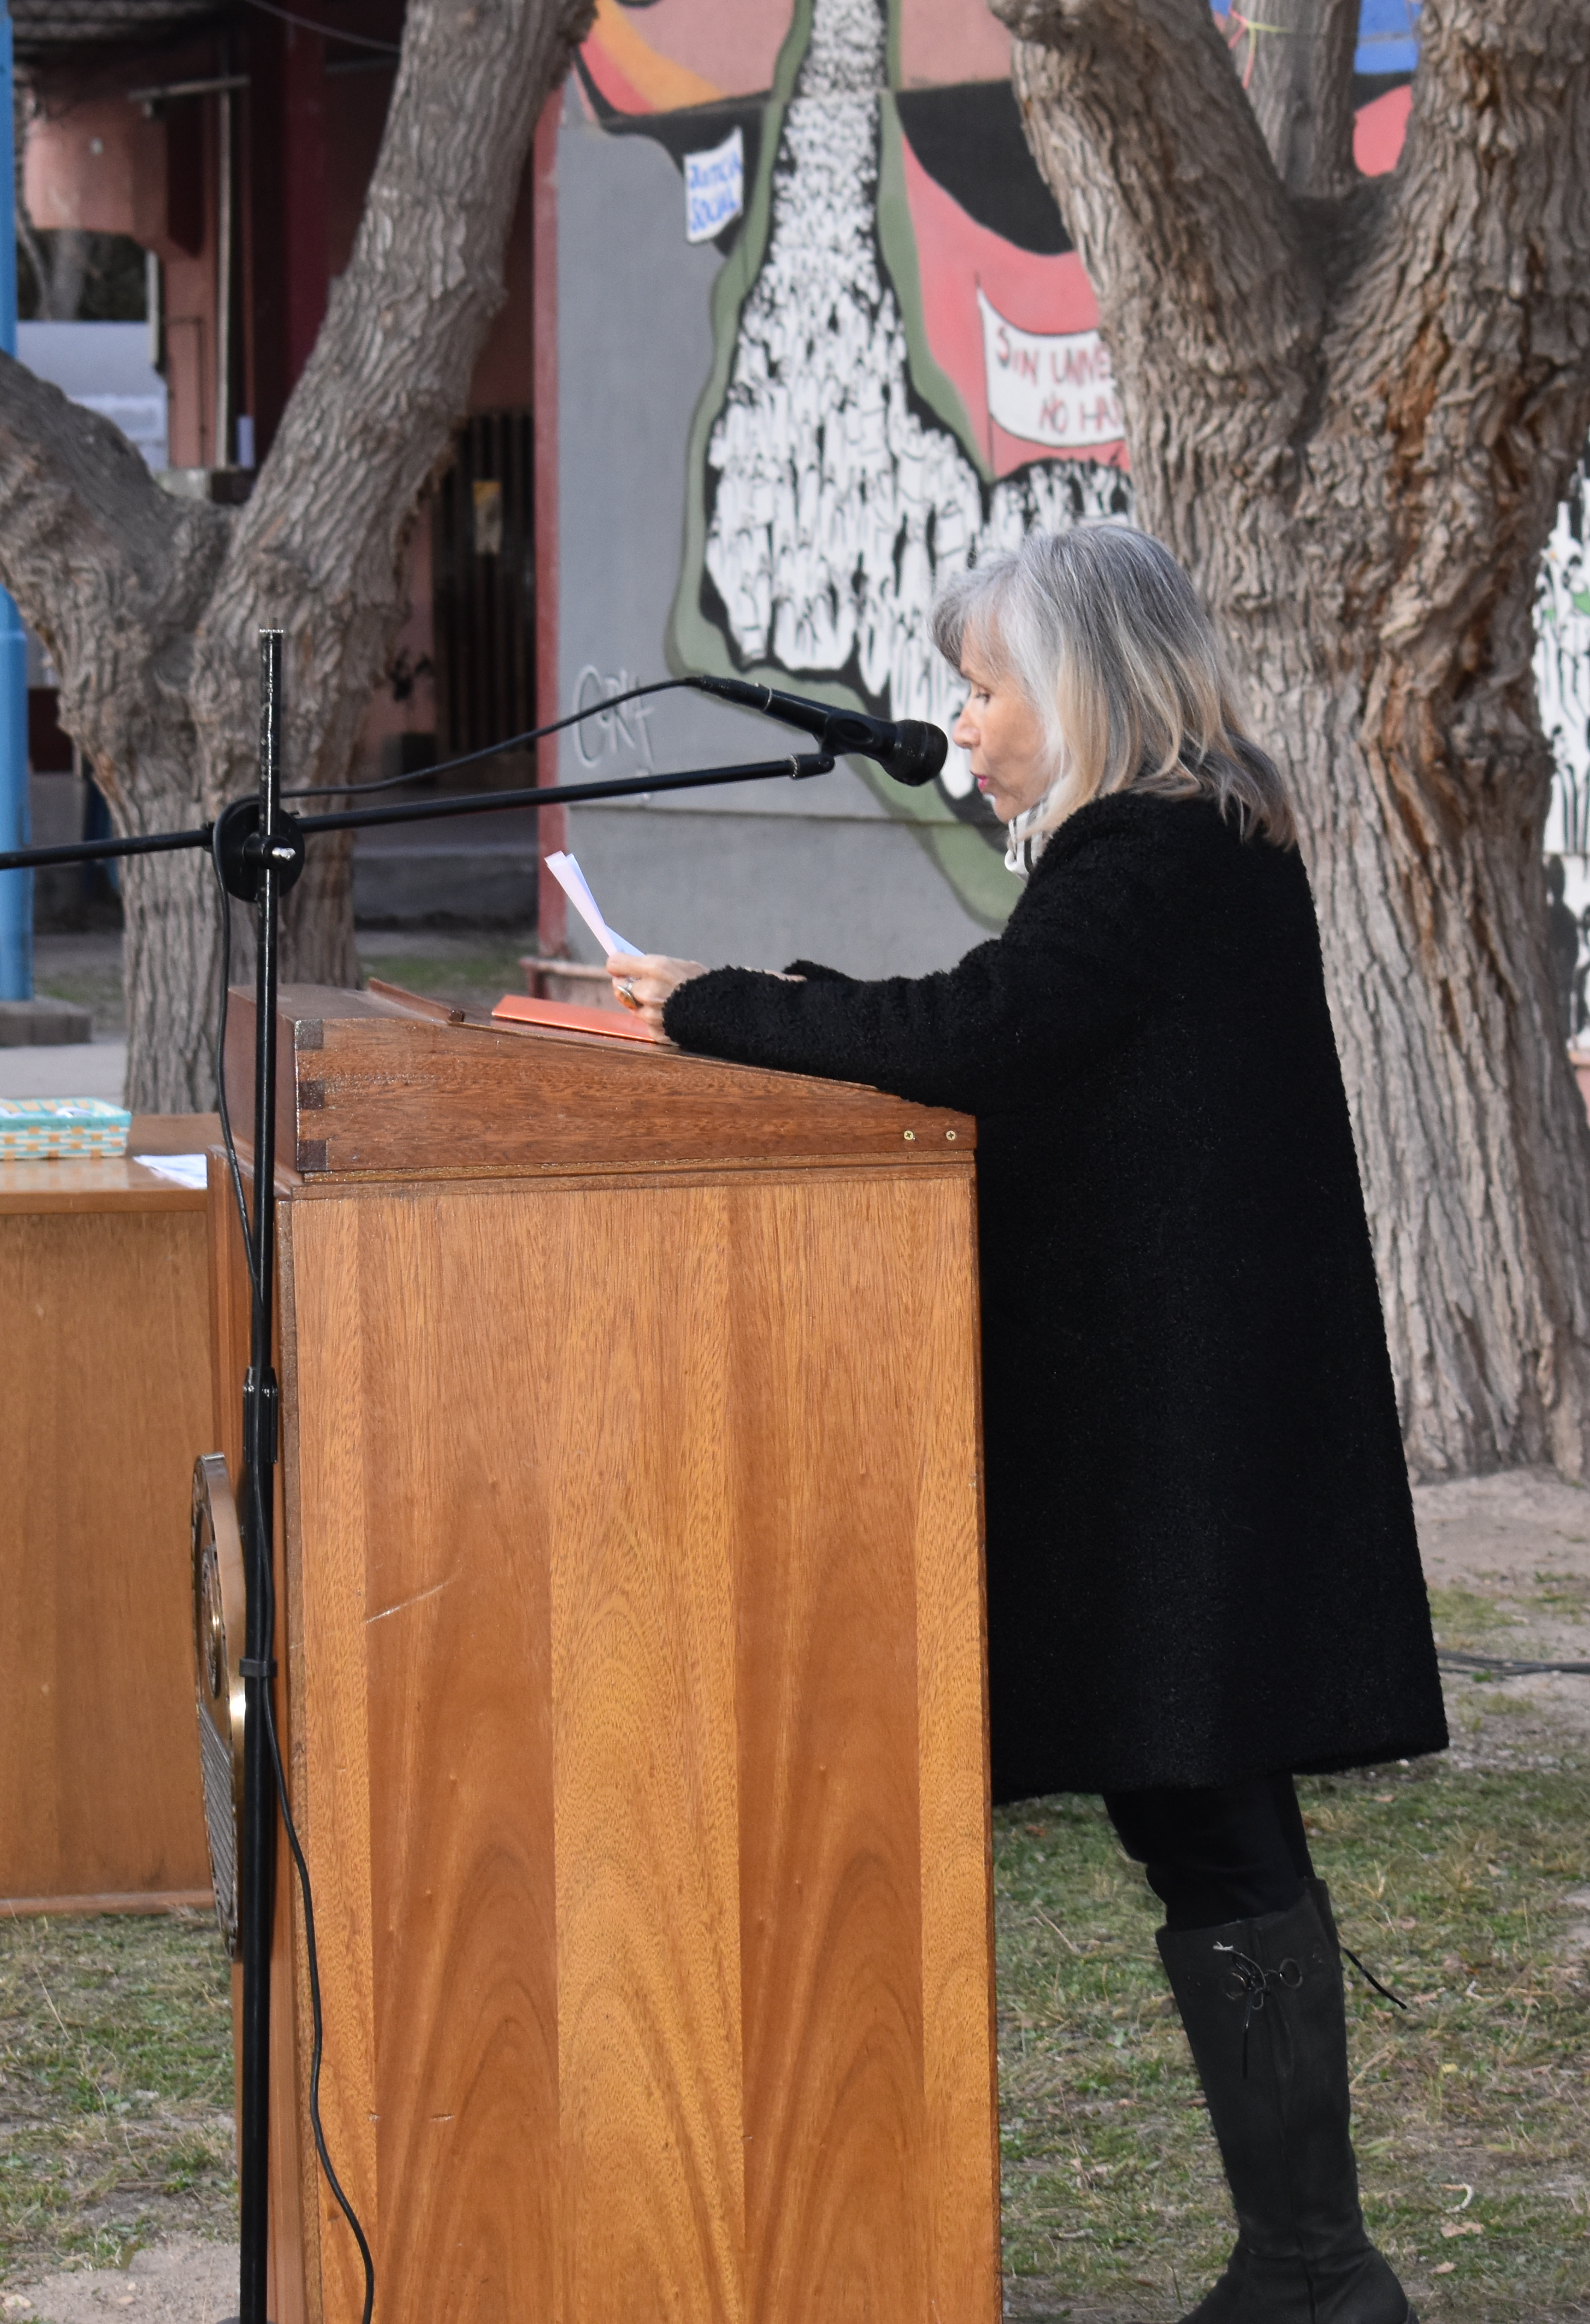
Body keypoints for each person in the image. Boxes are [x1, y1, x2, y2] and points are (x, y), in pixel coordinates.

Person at [610, 524, 1439, 2324]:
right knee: (1197, 1799)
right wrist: (804, 1013)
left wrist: (716, 1007)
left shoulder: (1148, 852)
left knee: (1207, 1798)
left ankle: (1314, 2263)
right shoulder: (1191, 846)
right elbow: (1029, 1035)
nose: (961, 725)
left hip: (1184, 1427)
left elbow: (992, 1032)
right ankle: (1308, 2258)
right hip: (1185, 1413)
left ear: (1077, 687)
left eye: (984, 688)